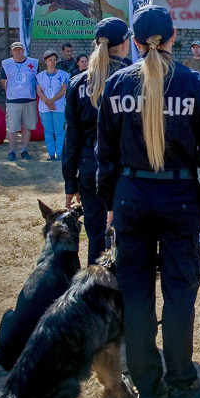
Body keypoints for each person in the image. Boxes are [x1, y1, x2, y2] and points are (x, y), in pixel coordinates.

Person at [96, 5, 200, 398]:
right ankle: (181, 380)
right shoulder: (197, 85)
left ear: (133, 43)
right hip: (181, 200)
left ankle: (148, 387)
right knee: (179, 295)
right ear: (173, 37)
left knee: (136, 297)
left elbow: (105, 158)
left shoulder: (115, 86)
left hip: (131, 198)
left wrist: (111, 205)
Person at [63, 17, 132, 265]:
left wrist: (70, 182)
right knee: (126, 236)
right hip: (125, 166)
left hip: (90, 167)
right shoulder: (132, 78)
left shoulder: (77, 82)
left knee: (96, 235)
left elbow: (72, 137)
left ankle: (94, 291)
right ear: (124, 44)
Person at [0, 42, 39, 161]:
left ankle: (24, 150)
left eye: (20, 49)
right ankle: (12, 151)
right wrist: (11, 92)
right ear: (12, 51)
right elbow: (3, 81)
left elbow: (37, 80)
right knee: (12, 128)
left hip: (29, 99)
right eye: (15, 50)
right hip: (13, 101)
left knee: (27, 127)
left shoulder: (33, 62)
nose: (18, 52)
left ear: (23, 50)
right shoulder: (6, 64)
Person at [36, 49, 70, 161]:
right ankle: (51, 153)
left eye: (54, 60)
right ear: (45, 61)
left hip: (58, 106)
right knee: (48, 131)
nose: (53, 62)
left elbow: (63, 89)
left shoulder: (63, 74)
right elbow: (39, 91)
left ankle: (60, 153)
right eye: (50, 60)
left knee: (59, 130)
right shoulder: (39, 76)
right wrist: (47, 102)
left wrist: (53, 101)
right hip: (44, 107)